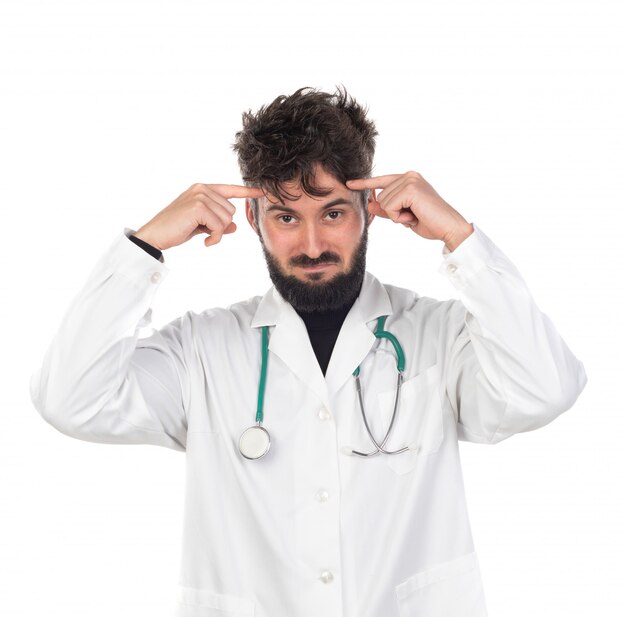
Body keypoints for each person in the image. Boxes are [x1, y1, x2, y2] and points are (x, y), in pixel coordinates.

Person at [30, 85, 587, 617]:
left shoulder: (438, 336)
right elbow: (69, 397)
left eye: (334, 212)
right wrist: (144, 248)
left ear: (370, 208)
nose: (313, 244)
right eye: (286, 217)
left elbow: (544, 388)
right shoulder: (201, 349)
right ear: (253, 218)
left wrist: (462, 240)